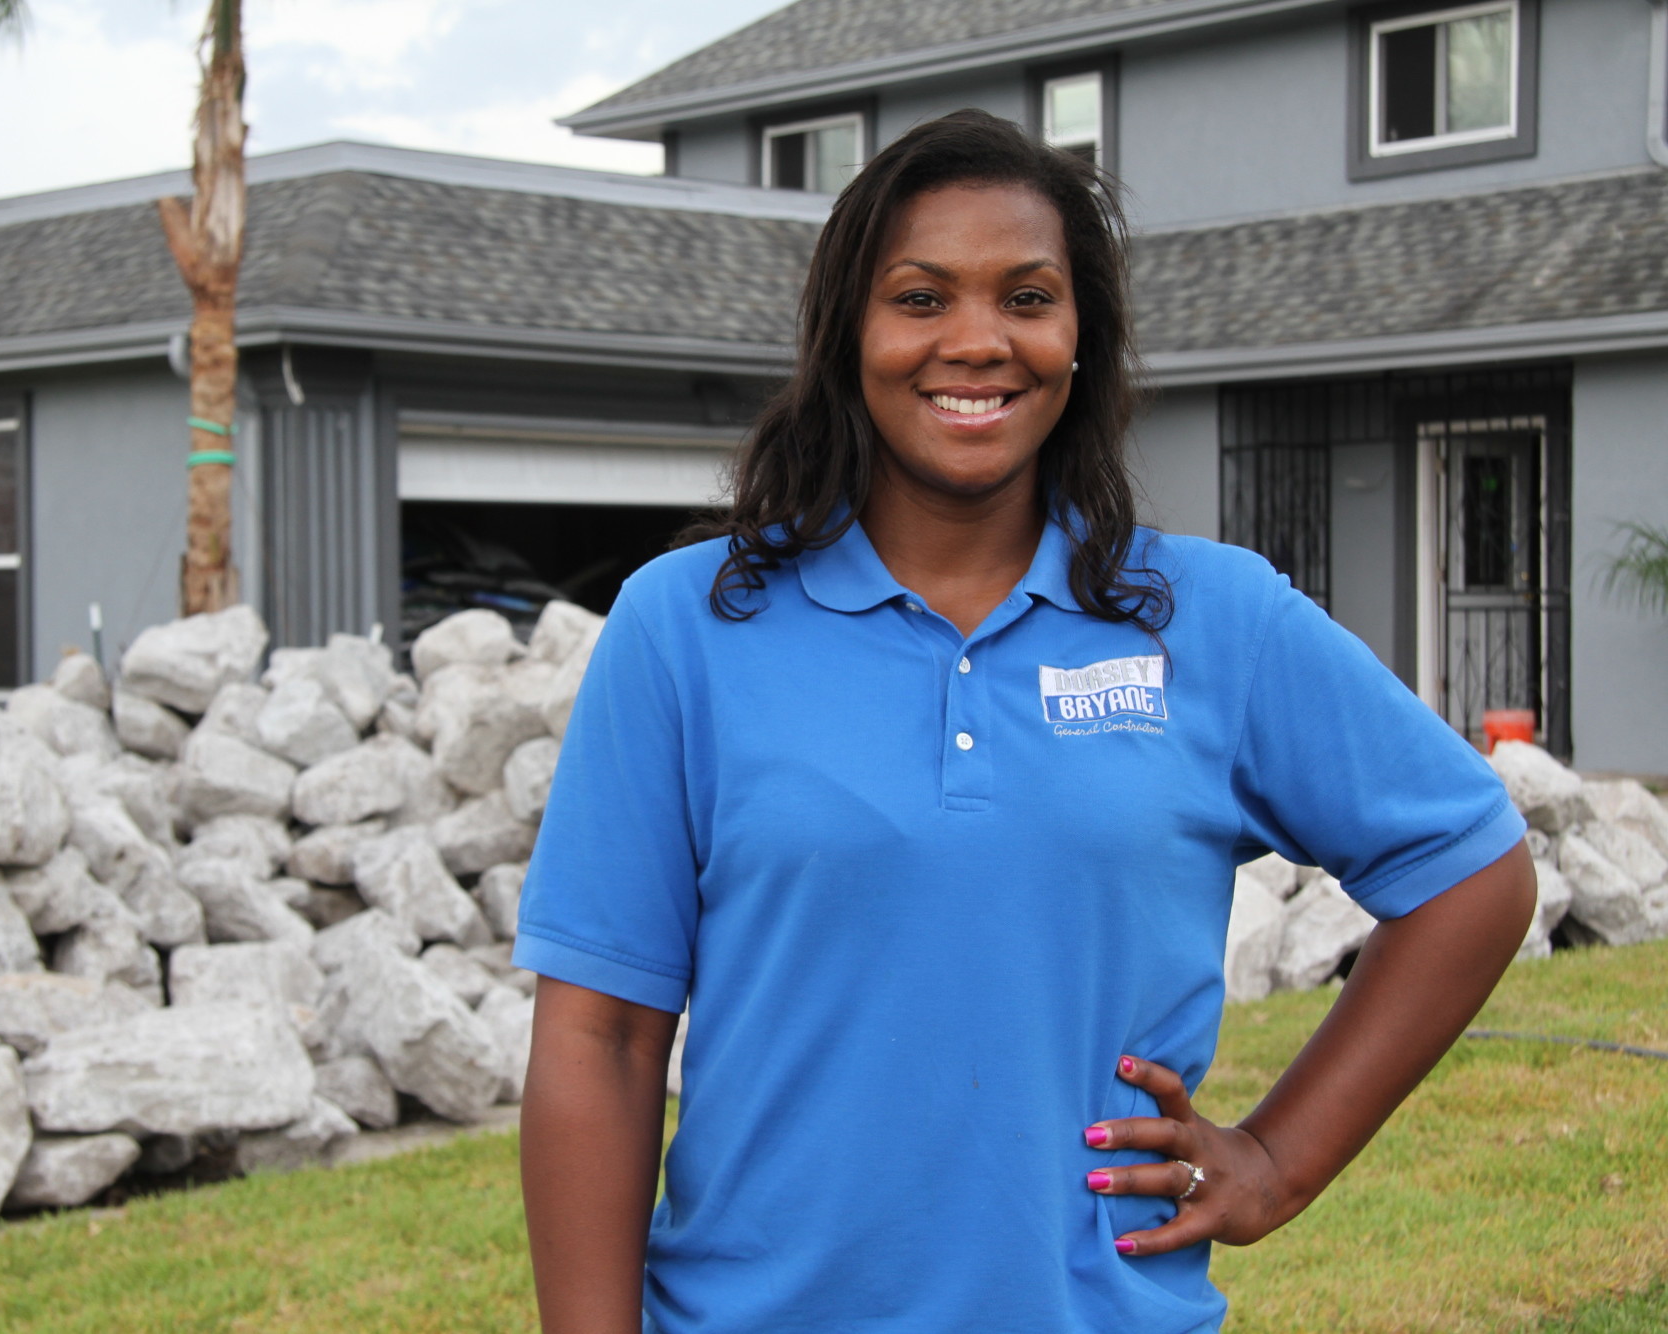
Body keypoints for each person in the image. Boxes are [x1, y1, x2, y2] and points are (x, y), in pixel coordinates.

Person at [512, 109, 1536, 1334]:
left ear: (1078, 337)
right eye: (919, 297)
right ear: (845, 334)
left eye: (1027, 297)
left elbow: (1469, 869)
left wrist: (1276, 1157)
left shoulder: (1212, 620)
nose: (975, 341)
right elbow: (602, 1037)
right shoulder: (685, 626)